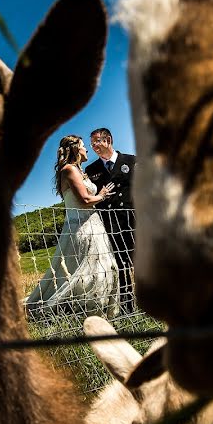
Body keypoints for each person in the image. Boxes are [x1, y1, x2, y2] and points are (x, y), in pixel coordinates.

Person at [25, 135, 120, 319]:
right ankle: (90, 312)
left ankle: (93, 310)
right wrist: (102, 195)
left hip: (92, 224)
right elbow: (84, 200)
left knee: (99, 268)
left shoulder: (77, 171)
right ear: (76, 149)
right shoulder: (69, 170)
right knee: (88, 271)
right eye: (84, 146)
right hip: (83, 226)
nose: (87, 150)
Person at [85, 127, 136, 313]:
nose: (94, 146)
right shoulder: (91, 170)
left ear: (108, 140)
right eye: (91, 143)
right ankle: (127, 306)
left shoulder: (131, 161)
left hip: (134, 219)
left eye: (97, 141)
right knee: (121, 266)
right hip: (110, 223)